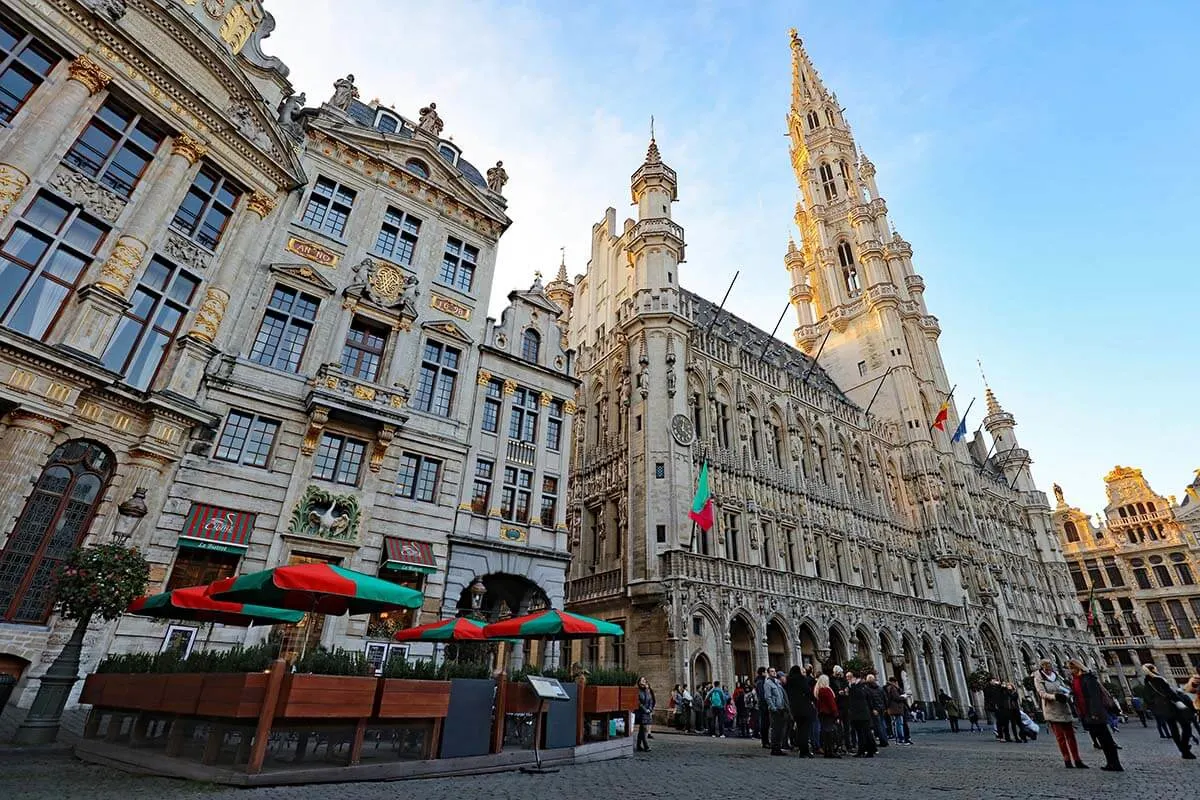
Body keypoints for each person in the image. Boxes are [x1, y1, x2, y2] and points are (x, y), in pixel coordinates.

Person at [1067, 659, 1122, 771]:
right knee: (1102, 739)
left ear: (1077, 667)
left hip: (1095, 713)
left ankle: (1115, 763)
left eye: (1071, 668)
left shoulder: (1088, 678)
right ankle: (1110, 763)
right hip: (1086, 713)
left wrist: (1095, 713)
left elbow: (1094, 698)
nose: (1069, 671)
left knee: (1106, 739)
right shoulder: (1076, 680)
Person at [1033, 658, 1084, 768]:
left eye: (1050, 666)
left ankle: (1077, 759)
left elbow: (1064, 687)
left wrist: (1067, 693)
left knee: (1071, 735)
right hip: (1052, 709)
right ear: (1043, 667)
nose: (1049, 668)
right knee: (1060, 737)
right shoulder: (1039, 678)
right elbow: (1042, 693)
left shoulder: (1056, 676)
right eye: (1047, 666)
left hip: (1064, 707)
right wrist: (1055, 696)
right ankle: (1067, 760)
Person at [1142, 663, 1196, 759]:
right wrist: (1179, 701)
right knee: (1186, 726)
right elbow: (1169, 692)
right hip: (1172, 706)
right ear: (1153, 669)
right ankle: (1184, 749)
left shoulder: (1147, 681)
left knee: (1173, 728)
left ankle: (1183, 749)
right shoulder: (1158, 679)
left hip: (1162, 708)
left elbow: (1149, 697)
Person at [787, 665, 816, 757]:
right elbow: (807, 691)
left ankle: (802, 750)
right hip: (804, 707)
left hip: (794, 708)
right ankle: (805, 750)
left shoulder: (789, 681)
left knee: (799, 729)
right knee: (805, 730)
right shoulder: (801, 679)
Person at [847, 673, 878, 757]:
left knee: (866, 732)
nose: (849, 679)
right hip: (856, 713)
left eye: (851, 678)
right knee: (860, 733)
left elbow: (860, 696)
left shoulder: (861, 686)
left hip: (862, 713)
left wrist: (852, 686)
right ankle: (861, 750)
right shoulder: (854, 686)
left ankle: (870, 750)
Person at [764, 668, 790, 755]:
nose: (774, 672)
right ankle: (774, 748)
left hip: (781, 708)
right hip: (775, 710)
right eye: (771, 671)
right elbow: (768, 697)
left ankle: (778, 747)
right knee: (775, 729)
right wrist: (773, 707)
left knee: (780, 730)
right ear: (768, 673)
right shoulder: (768, 683)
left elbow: (782, 695)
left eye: (775, 671)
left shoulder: (777, 683)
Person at [815, 673, 842, 758]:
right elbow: (832, 703)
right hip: (828, 713)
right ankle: (831, 751)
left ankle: (827, 750)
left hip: (822, 713)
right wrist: (836, 714)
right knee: (830, 733)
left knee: (826, 733)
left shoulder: (818, 690)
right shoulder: (827, 690)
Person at [635, 676, 655, 752]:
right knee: (644, 729)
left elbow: (651, 700)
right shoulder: (638, 691)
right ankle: (646, 746)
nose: (644, 681)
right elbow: (638, 702)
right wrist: (644, 709)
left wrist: (650, 709)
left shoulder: (647, 690)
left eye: (644, 680)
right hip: (641, 712)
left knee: (641, 730)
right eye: (642, 680)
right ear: (639, 682)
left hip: (647, 712)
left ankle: (638, 745)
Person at [754, 667, 770, 749]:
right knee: (764, 723)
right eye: (765, 672)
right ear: (763, 673)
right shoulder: (760, 682)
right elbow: (762, 695)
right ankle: (765, 741)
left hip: (763, 705)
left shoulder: (761, 681)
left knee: (766, 724)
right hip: (763, 705)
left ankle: (766, 741)